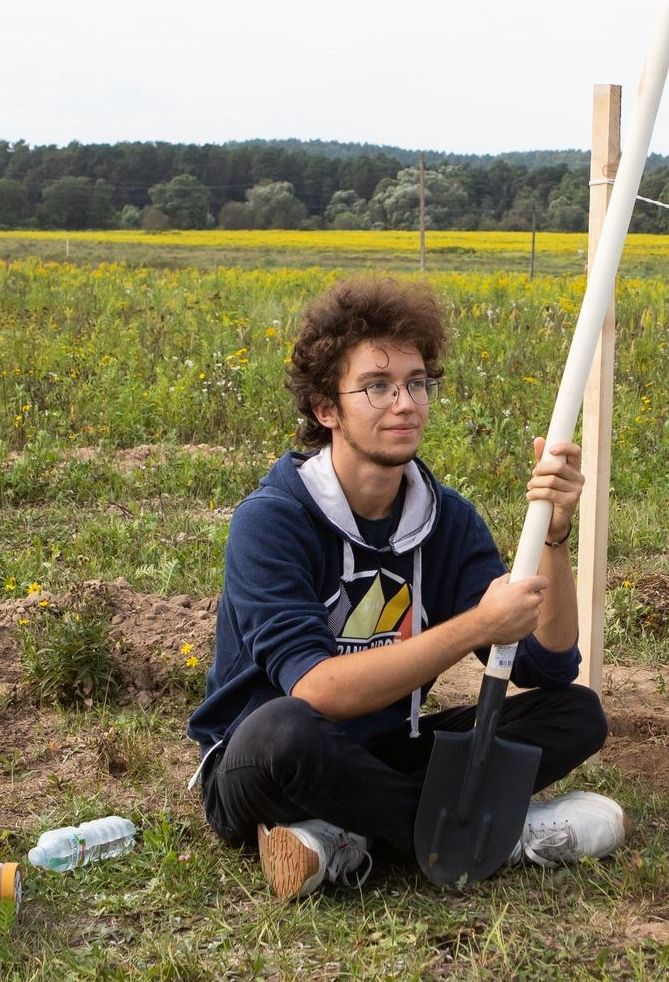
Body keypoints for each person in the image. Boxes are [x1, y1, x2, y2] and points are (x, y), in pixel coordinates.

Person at [190, 277, 624, 899]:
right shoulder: (274, 519)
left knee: (576, 712)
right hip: (269, 763)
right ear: (325, 407)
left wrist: (554, 537)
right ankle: (499, 835)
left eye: (416, 383)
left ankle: (345, 839)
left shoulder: (444, 519)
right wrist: (477, 626)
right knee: (284, 729)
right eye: (377, 386)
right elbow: (318, 691)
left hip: (395, 749)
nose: (405, 403)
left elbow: (547, 666)